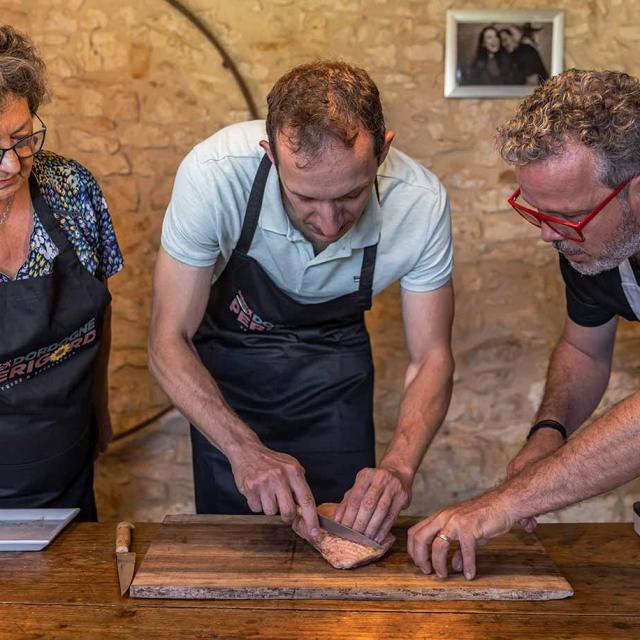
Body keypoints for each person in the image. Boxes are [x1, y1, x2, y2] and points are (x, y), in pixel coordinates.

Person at [149, 60, 454, 541]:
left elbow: (431, 355)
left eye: (351, 196)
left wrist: (399, 468)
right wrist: (242, 448)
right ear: (270, 155)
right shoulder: (213, 176)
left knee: (344, 540)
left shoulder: (421, 203)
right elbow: (168, 339)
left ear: (382, 151)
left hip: (334, 379)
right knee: (235, 549)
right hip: (230, 381)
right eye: (306, 198)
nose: (330, 223)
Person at [407, 69, 640, 580]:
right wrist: (549, 431)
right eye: (538, 212)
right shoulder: (586, 243)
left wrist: (505, 502)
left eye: (569, 216)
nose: (549, 236)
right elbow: (584, 349)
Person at [0, 26, 123, 520]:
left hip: (64, 460)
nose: (10, 163)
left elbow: (99, 309)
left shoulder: (72, 187)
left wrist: (101, 406)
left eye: (22, 137)